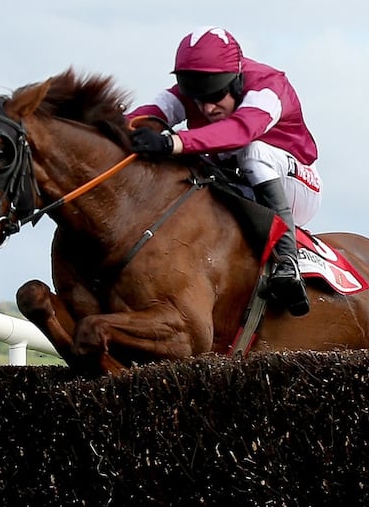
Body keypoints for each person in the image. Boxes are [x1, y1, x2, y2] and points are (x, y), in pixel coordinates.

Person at [127, 26, 321, 317]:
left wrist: (171, 142)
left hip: (297, 184)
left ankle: (287, 260)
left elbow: (240, 132)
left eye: (216, 95)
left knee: (252, 152)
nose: (207, 108)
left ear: (237, 80)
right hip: (237, 180)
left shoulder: (269, 87)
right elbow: (145, 115)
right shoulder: (194, 94)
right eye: (198, 98)